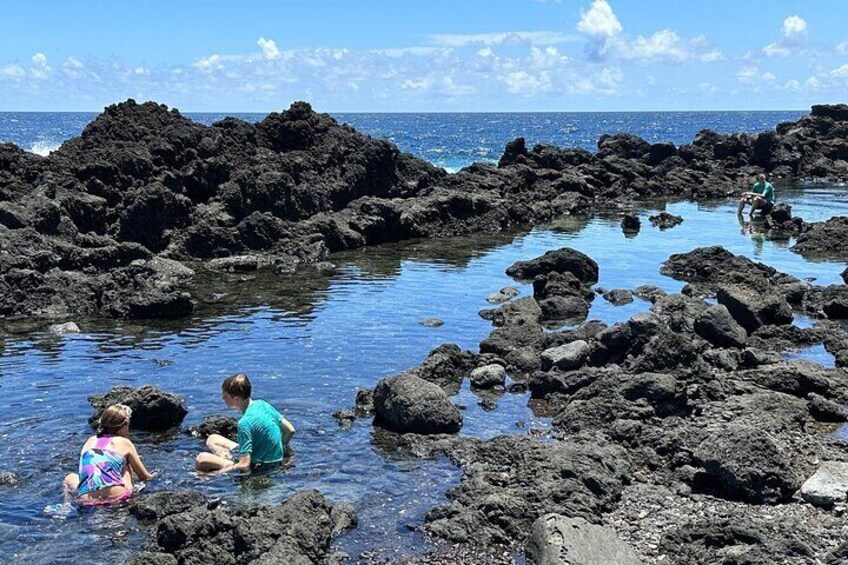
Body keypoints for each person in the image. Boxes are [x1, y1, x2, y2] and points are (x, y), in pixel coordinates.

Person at [195, 374, 295, 474]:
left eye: (225, 396)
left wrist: (215, 473)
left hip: (259, 464)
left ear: (237, 399)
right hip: (266, 453)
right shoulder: (262, 404)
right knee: (212, 439)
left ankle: (228, 463)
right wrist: (277, 449)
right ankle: (228, 458)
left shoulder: (244, 423)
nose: (222, 398)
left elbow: (244, 465)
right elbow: (290, 430)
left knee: (201, 459)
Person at [63, 404, 154, 505]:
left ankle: (66, 506)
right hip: (117, 496)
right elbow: (144, 477)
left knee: (69, 477)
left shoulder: (90, 441)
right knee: (125, 463)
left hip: (86, 499)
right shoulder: (124, 442)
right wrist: (155, 475)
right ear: (124, 426)